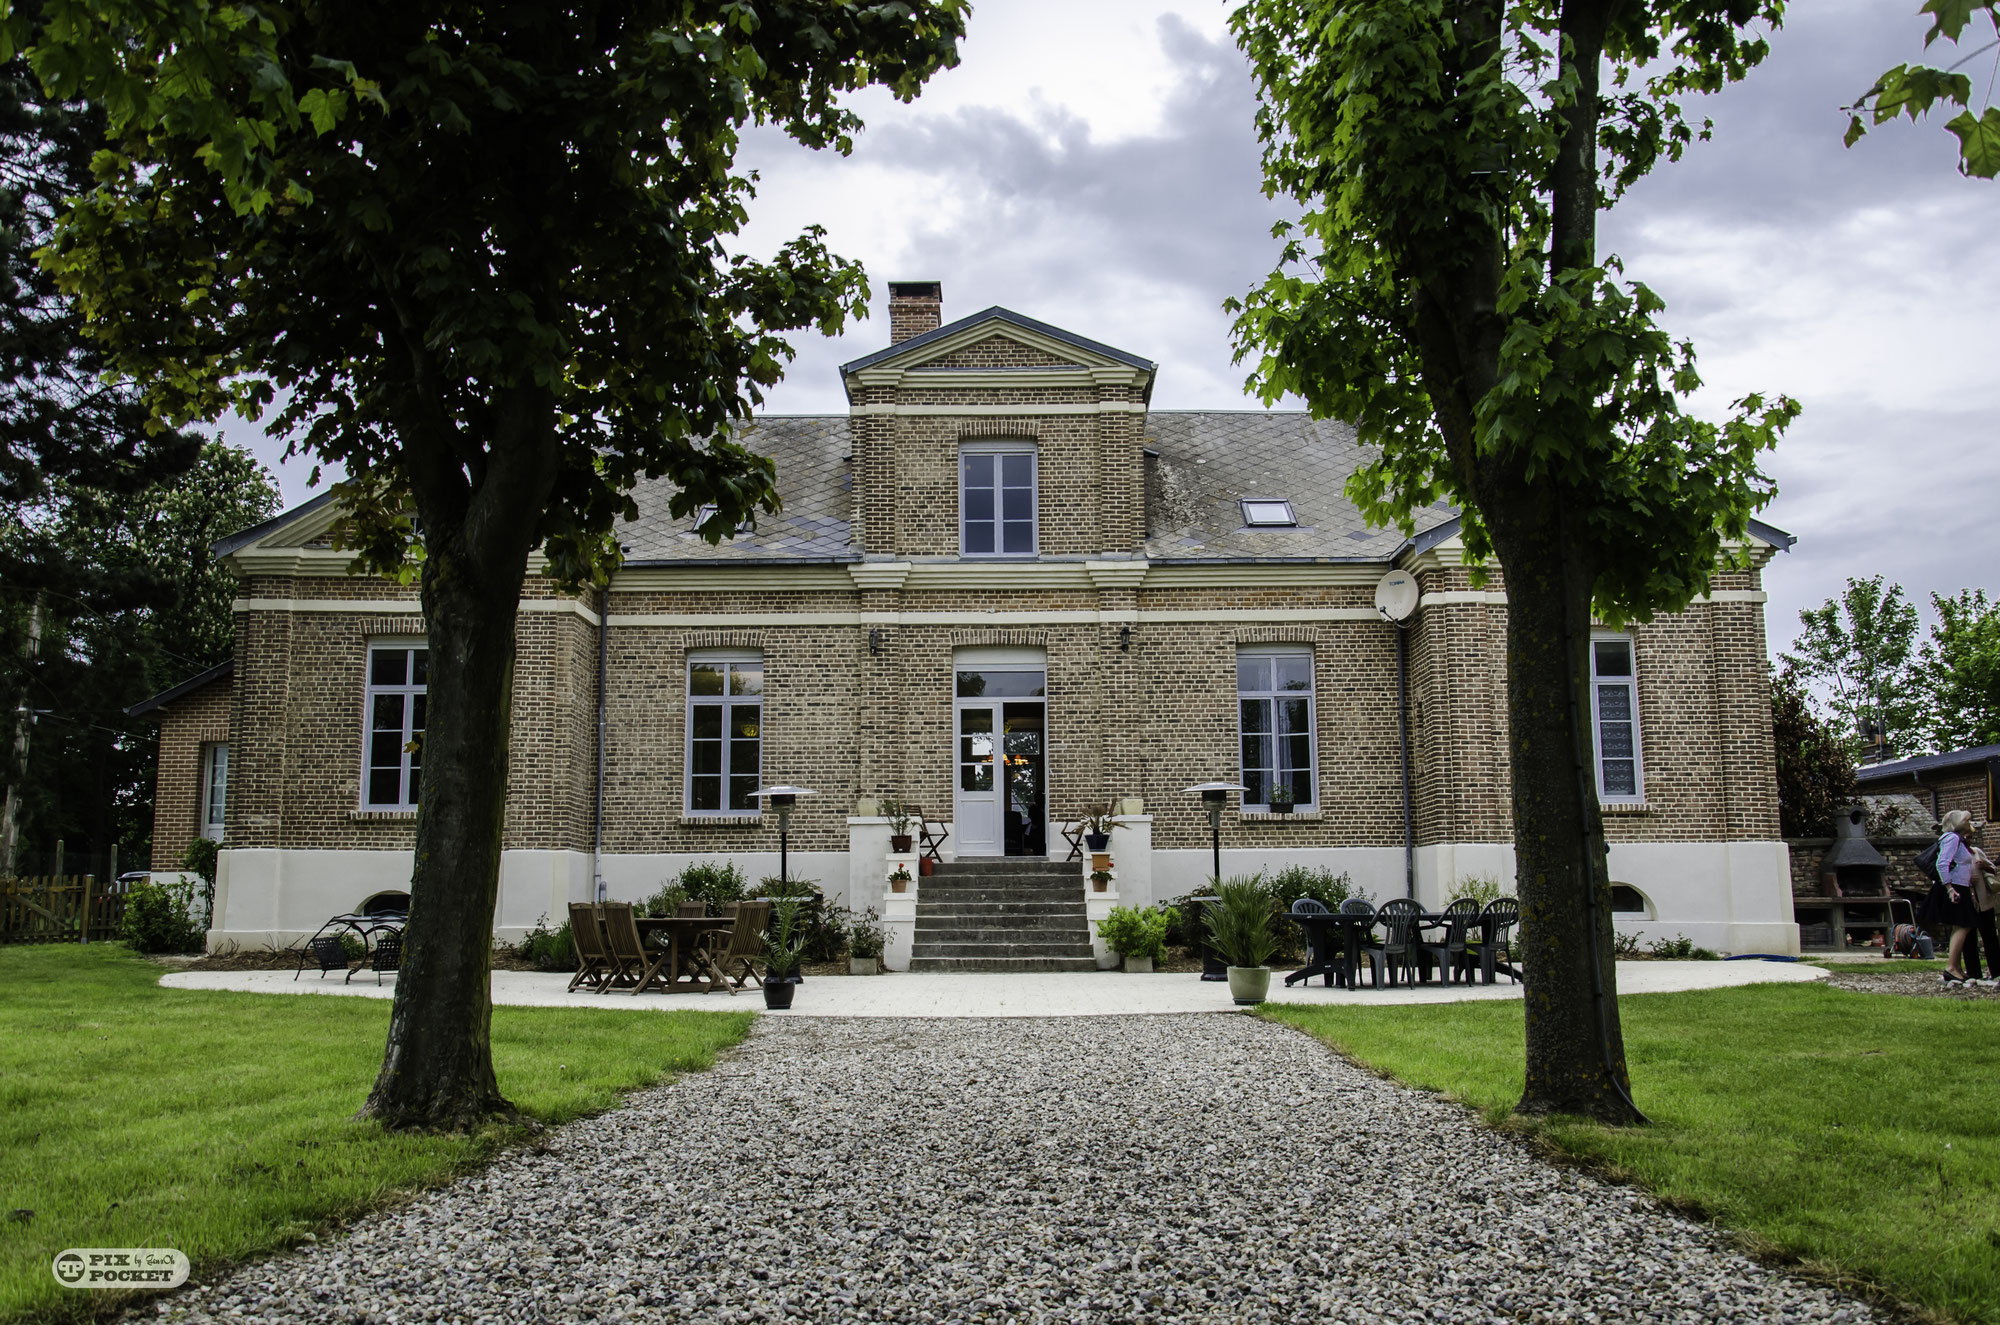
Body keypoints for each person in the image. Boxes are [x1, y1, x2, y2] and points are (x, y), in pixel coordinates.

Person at [1926, 810, 1983, 984]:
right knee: (1964, 925)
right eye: (1967, 820)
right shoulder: (1951, 838)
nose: (1969, 823)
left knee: (1961, 926)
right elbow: (1942, 863)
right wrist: (1950, 888)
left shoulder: (1958, 839)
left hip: (1960, 887)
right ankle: (1951, 967)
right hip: (1954, 887)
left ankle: (1956, 967)